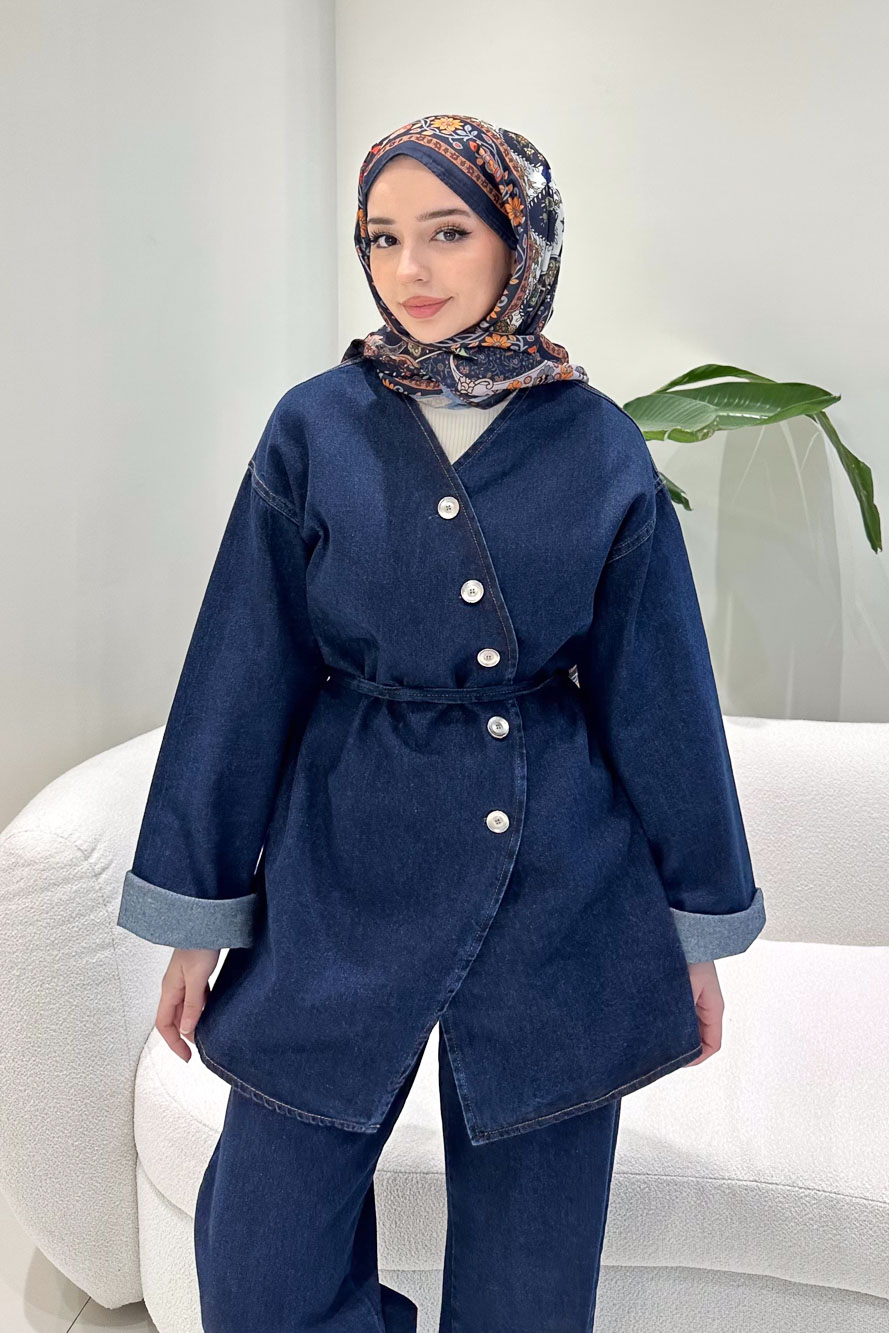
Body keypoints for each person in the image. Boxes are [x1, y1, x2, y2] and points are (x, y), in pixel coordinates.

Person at [117, 113, 766, 1331]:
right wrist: (197, 923)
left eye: (448, 232)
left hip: (560, 881)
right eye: (381, 237)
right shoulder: (314, 427)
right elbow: (240, 672)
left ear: (519, 239)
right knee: (260, 1267)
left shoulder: (600, 444)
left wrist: (693, 933)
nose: (408, 270)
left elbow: (661, 696)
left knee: (530, 1285)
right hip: (339, 862)